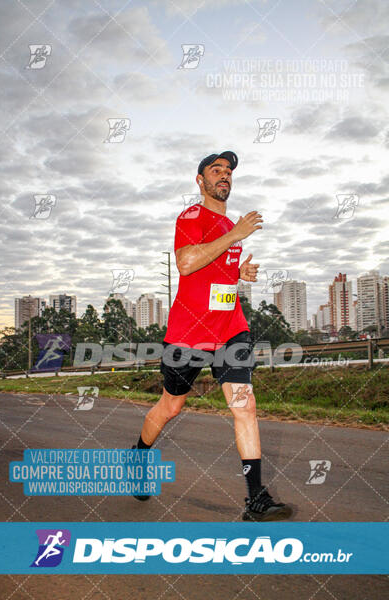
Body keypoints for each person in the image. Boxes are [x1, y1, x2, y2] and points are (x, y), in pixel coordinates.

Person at [132, 151, 292, 521]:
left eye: (228, 171)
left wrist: (241, 273)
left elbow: (216, 274)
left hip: (229, 331)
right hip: (189, 333)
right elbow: (187, 263)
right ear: (200, 181)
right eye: (215, 170)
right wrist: (236, 235)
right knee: (171, 406)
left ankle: (256, 499)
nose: (224, 176)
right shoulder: (192, 216)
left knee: (245, 406)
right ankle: (140, 455)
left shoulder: (230, 226)